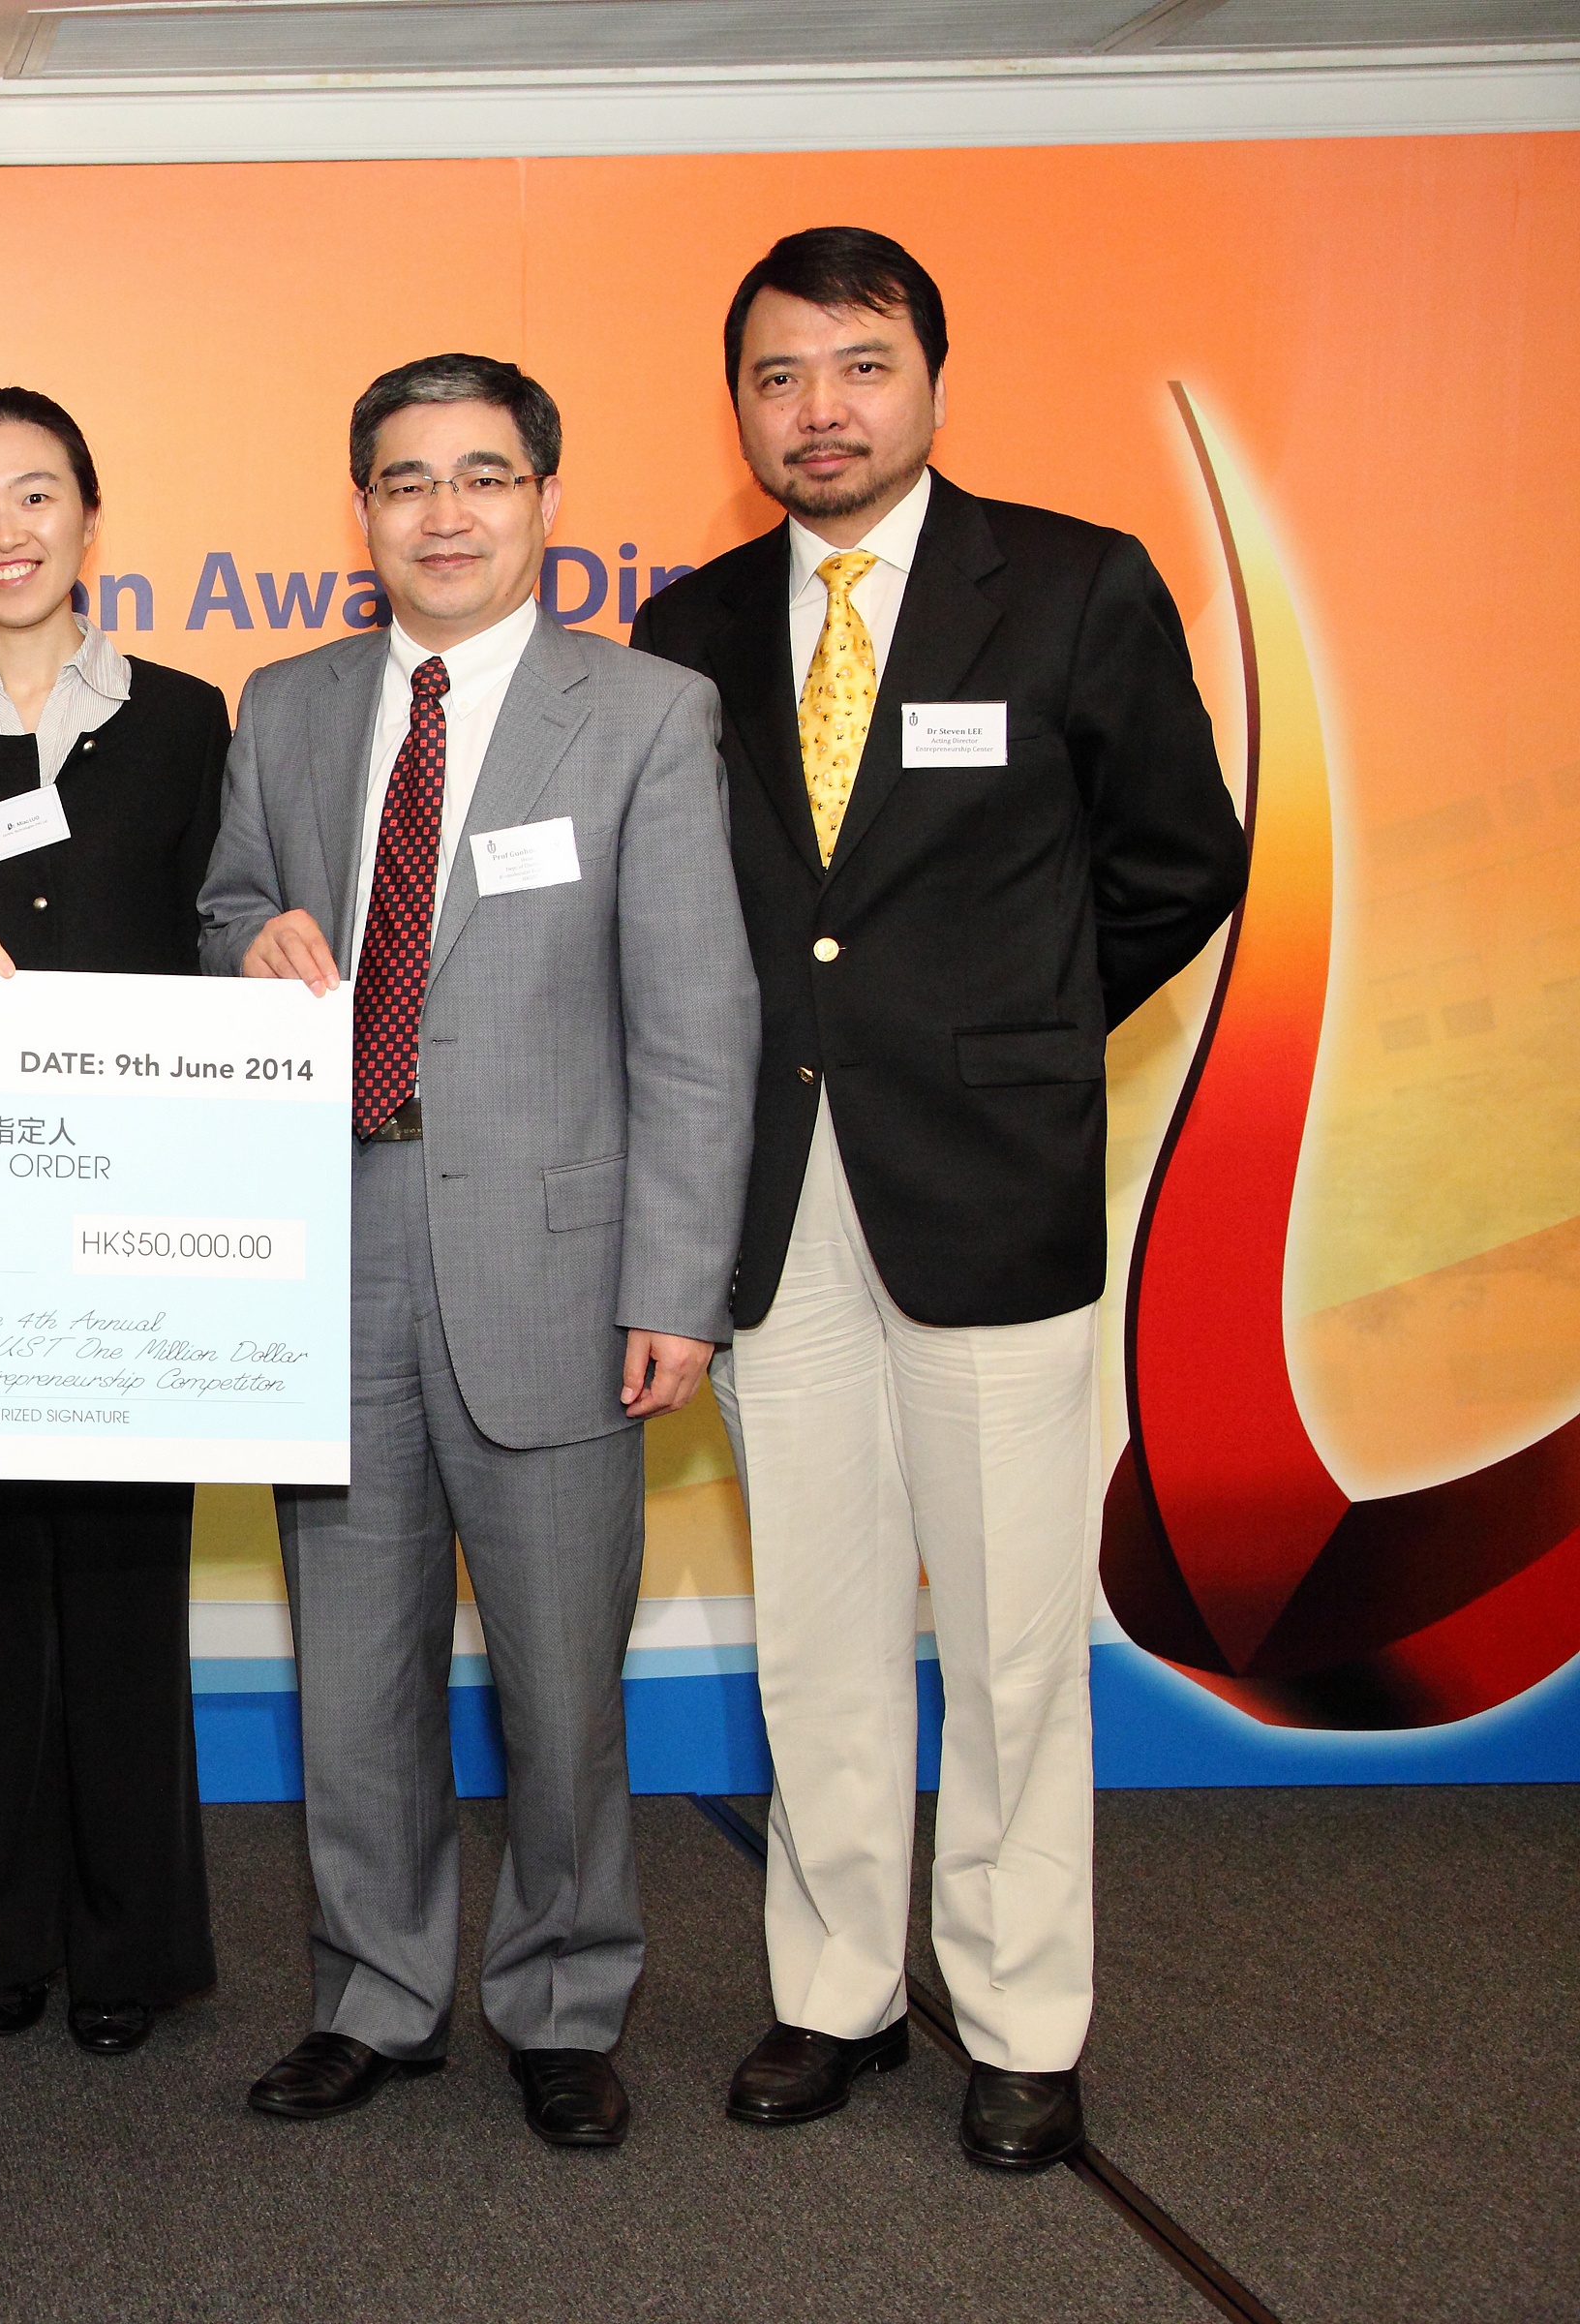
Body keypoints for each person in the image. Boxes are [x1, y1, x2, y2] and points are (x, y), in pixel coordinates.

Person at [631, 228, 1245, 2170]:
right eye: (780, 376)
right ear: (739, 409)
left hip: (991, 1189)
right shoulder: (692, 626)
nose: (821, 411)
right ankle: (833, 1996)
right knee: (811, 1624)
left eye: (860, 367)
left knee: (1005, 1638)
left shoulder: (1071, 586)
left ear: (932, 381)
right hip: (770, 1190)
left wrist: (1026, 1033)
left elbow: (1178, 862)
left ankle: (1022, 2015)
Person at [200, 354, 757, 2149]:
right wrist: (253, 941)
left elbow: (695, 1021)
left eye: (484, 477)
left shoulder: (651, 714)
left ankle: (566, 1995)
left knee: (560, 1678)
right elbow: (226, 907)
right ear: (359, 508)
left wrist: (677, 1281)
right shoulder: (282, 706)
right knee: (349, 1668)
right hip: (330, 1251)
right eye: (406, 480)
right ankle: (375, 1992)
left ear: (546, 499)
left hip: (559, 1272)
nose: (444, 513)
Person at [0, 387, 227, 2054]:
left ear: (93, 514)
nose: (4, 532)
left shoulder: (188, 721)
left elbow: (226, 938)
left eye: (36, 496)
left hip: (143, 1216)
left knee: (129, 1585)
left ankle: (130, 1947)